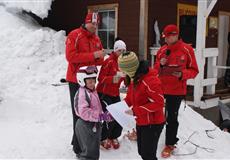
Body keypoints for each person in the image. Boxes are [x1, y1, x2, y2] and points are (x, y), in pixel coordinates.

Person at [154, 24, 199, 158]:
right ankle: (148, 135)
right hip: (161, 88)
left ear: (174, 36)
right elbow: (154, 70)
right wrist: (160, 64)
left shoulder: (187, 49)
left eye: (167, 37)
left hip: (176, 91)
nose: (165, 40)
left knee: (171, 118)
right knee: (155, 113)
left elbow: (194, 71)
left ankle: (170, 144)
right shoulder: (162, 50)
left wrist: (182, 74)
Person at [65, 12, 105, 155]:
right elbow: (70, 57)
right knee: (79, 114)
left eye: (96, 24)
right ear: (86, 22)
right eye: (92, 23)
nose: (95, 26)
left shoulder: (96, 38)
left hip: (91, 80)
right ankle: (79, 148)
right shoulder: (74, 35)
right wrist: (93, 55)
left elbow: (98, 61)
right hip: (76, 80)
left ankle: (81, 141)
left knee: (90, 111)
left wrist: (101, 56)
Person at [118, 51, 165, 160]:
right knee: (142, 152)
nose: (121, 72)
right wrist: (119, 107)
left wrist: (136, 111)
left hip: (153, 123)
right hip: (142, 121)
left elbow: (159, 103)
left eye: (123, 70)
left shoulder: (150, 81)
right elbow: (130, 98)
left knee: (148, 155)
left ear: (130, 69)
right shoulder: (134, 78)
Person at [96, 39, 126, 149]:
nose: (122, 53)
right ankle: (102, 138)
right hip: (104, 93)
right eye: (120, 51)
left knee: (121, 114)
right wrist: (113, 79)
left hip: (115, 93)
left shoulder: (123, 63)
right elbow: (100, 79)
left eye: (124, 51)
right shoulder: (108, 61)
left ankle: (114, 136)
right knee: (110, 115)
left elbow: (124, 78)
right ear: (115, 50)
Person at [74, 66, 103, 160]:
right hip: (86, 125)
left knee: (93, 148)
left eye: (94, 81)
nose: (93, 83)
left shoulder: (91, 91)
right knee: (90, 153)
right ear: (82, 81)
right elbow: (84, 112)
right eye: (90, 82)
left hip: (93, 123)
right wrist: (101, 116)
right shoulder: (83, 93)